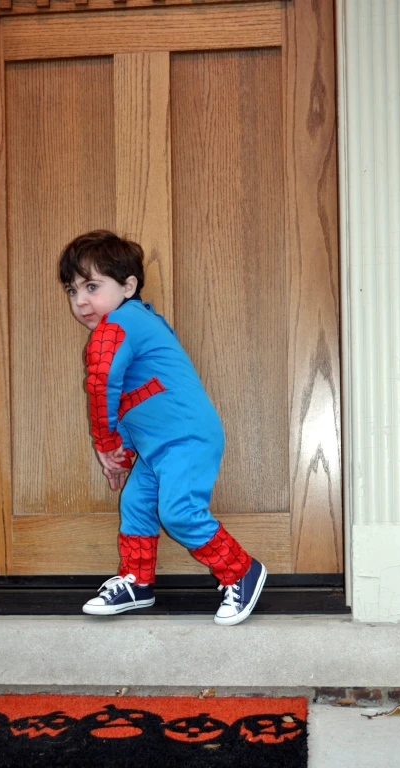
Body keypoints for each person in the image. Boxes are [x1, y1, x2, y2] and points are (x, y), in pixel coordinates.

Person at [58, 230, 267, 625]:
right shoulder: (136, 322)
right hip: (159, 447)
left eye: (91, 286)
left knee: (179, 512)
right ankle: (137, 583)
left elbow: (102, 385)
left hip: (185, 440)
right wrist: (122, 450)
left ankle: (241, 571)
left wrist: (105, 444)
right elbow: (140, 396)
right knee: (136, 506)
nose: (81, 300)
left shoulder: (120, 325)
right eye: (72, 291)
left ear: (128, 285)